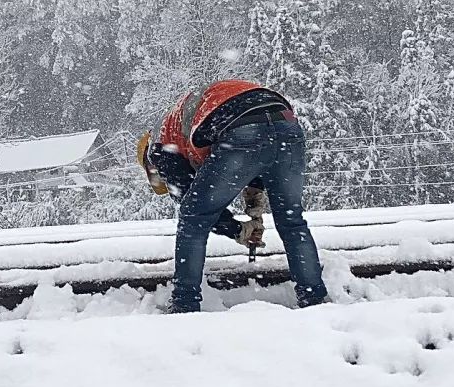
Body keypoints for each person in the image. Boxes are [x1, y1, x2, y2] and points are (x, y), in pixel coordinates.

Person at [137, 79, 329, 312]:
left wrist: (236, 230)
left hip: (240, 129)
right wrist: (254, 196)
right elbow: (261, 150)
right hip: (285, 124)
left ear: (150, 165)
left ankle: (184, 304)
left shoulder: (161, 149)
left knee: (192, 219)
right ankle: (315, 300)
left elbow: (194, 203)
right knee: (292, 221)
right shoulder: (182, 119)